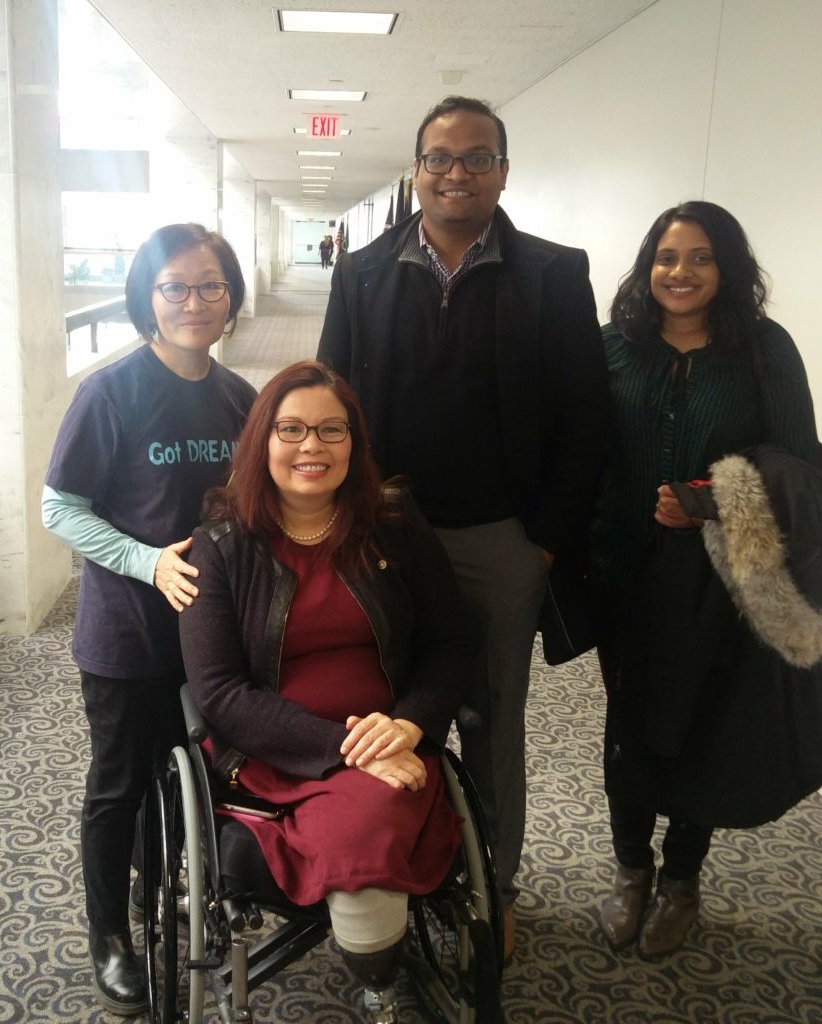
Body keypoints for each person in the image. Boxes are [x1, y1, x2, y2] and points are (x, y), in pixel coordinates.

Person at [317, 94, 611, 950]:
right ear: (416, 172)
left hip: (499, 540)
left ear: (503, 172)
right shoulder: (364, 272)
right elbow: (331, 400)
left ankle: (495, 884)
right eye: (440, 158)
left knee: (488, 715)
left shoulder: (555, 273)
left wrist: (542, 539)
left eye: (477, 158)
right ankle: (392, 873)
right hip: (381, 538)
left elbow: (585, 415)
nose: (457, 172)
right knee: (382, 709)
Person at [178, 360, 468, 1023]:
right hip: (275, 749)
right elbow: (219, 692)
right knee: (367, 812)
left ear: (354, 443)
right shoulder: (219, 546)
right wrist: (348, 748)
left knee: (374, 804)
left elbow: (450, 646)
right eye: (292, 429)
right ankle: (378, 971)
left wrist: (413, 725)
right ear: (262, 442)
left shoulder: (393, 523)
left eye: (331, 430)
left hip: (391, 738)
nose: (312, 446)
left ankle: (375, 960)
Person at [590, 200, 822, 957]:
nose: (679, 272)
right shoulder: (612, 348)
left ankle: (682, 879)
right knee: (628, 721)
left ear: (728, 268)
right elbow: (577, 451)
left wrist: (712, 500)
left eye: (699, 257)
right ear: (646, 265)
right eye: (666, 256)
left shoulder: (763, 350)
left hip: (718, 581)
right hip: (622, 571)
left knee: (702, 721)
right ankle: (631, 870)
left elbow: (799, 469)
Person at [41, 223, 256, 1014]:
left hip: (211, 634)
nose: (193, 302)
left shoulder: (240, 399)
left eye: (210, 285)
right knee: (120, 782)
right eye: (174, 287)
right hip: (126, 632)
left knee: (196, 771)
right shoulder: (110, 391)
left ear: (231, 297)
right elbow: (59, 507)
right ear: (147, 298)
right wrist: (147, 560)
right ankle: (110, 936)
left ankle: (165, 881)